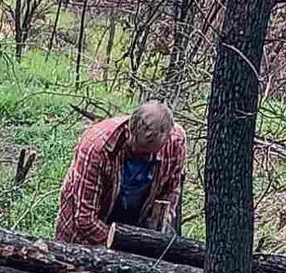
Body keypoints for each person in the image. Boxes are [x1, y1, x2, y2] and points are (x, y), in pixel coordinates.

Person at [55, 100, 187, 246]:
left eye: (151, 153)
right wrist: (123, 245)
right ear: (130, 130)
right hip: (86, 231)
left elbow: (172, 188)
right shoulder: (96, 148)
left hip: (136, 221)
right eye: (139, 150)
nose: (144, 157)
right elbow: (85, 220)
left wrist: (162, 217)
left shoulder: (175, 142)